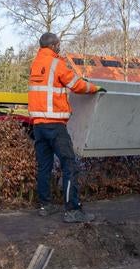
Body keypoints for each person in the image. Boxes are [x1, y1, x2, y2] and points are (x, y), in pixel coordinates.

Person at [28, 32, 105, 223]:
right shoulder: (56, 63)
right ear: (53, 45)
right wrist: (95, 88)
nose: (60, 47)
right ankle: (72, 210)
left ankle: (45, 205)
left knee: (44, 166)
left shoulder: (36, 64)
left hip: (38, 125)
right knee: (69, 164)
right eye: (58, 44)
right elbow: (76, 85)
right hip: (55, 125)